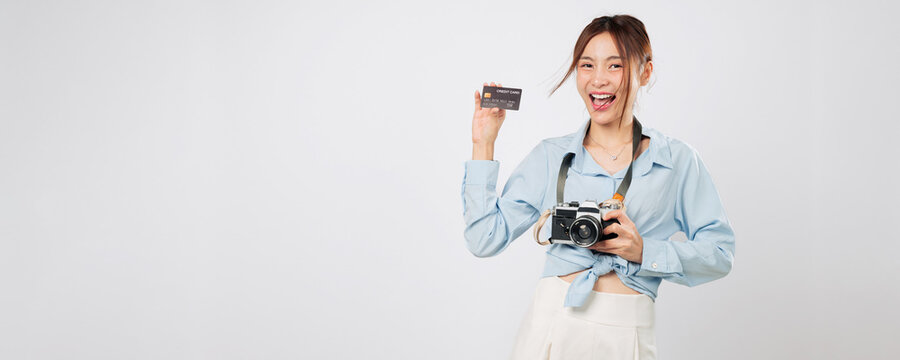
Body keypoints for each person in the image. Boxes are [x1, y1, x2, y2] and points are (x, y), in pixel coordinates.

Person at [461, 15, 735, 359]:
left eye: (615, 65)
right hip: (551, 322)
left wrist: (644, 251)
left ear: (645, 72)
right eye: (587, 65)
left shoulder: (676, 161)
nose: (598, 80)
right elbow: (483, 239)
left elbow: (720, 255)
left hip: (628, 330)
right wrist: (483, 144)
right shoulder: (552, 156)